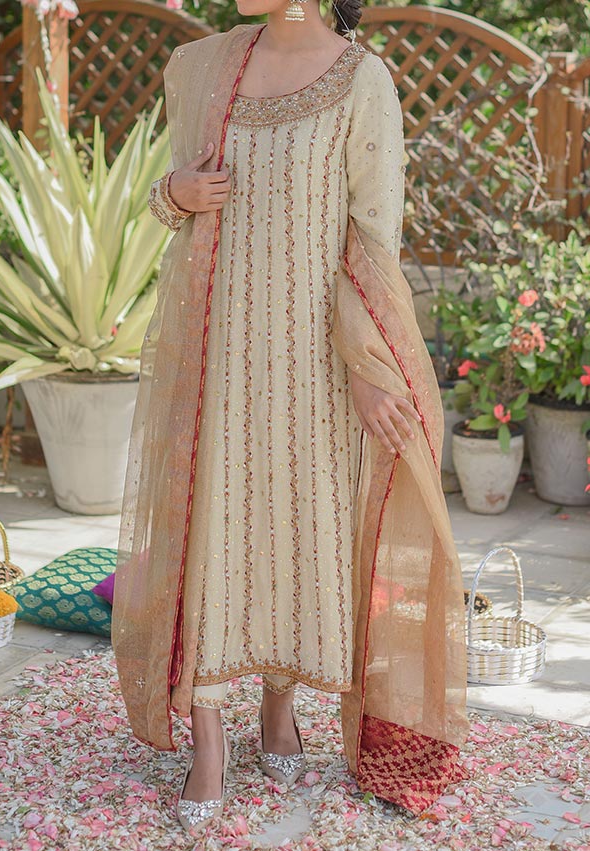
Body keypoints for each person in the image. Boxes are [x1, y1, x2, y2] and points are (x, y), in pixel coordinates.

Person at [112, 0, 470, 835]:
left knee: (295, 529)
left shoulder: (362, 80)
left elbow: (368, 243)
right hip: (217, 356)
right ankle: (208, 739)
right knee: (213, 531)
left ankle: (280, 704)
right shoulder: (202, 67)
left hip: (314, 361)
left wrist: (368, 370)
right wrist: (175, 193)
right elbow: (171, 201)